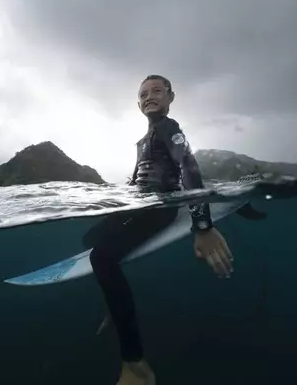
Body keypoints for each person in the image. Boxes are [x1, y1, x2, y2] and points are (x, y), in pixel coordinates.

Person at [88, 75, 235, 385]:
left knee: (101, 257)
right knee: (90, 238)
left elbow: (189, 167)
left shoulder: (170, 128)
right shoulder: (144, 139)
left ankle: (135, 363)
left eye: (156, 91)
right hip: (138, 206)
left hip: (159, 210)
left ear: (170, 98)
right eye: (143, 93)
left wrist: (203, 226)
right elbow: (136, 180)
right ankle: (113, 304)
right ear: (138, 103)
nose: (149, 96)